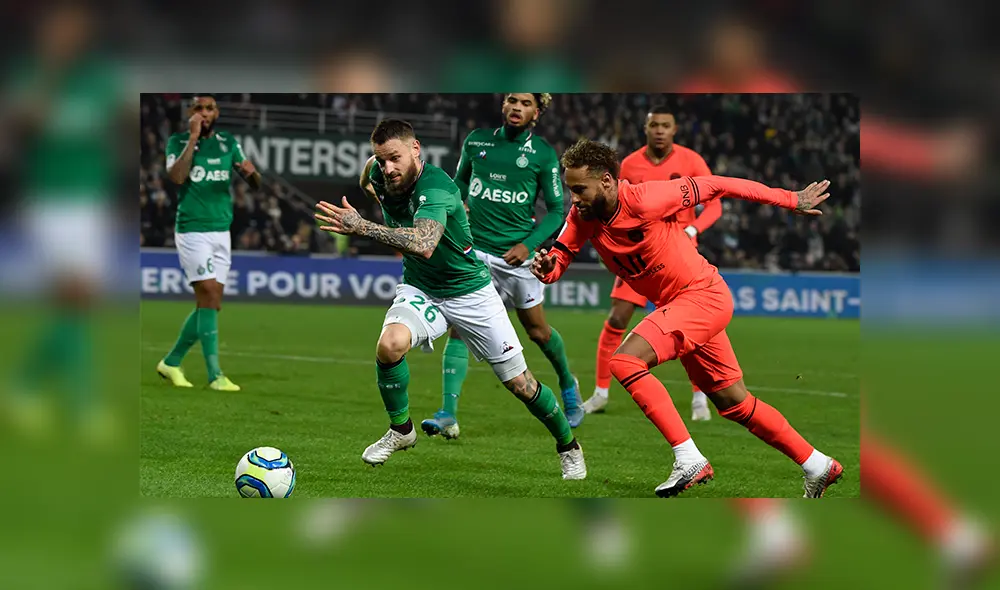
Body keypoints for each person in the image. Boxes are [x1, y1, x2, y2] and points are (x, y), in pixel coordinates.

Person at [531, 139, 842, 497]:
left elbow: (717, 185)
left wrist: (789, 199)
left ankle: (688, 458)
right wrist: (548, 268)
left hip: (700, 296)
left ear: (606, 181)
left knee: (626, 361)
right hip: (681, 305)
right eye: (571, 189)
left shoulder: (646, 199)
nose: (574, 198)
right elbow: (561, 255)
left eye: (579, 189)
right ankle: (818, 465)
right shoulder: (583, 216)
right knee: (734, 403)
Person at [315, 118, 585, 480]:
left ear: (416, 149)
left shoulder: (437, 187)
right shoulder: (379, 173)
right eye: (381, 160)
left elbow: (425, 245)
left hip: (469, 291)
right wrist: (371, 186)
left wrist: (360, 225)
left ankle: (568, 446)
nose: (387, 167)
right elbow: (368, 180)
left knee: (521, 384)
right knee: (389, 345)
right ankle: (401, 430)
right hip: (422, 287)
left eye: (394, 158)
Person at [422, 92, 583, 440]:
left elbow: (557, 209)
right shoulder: (477, 141)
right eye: (512, 100)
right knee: (460, 328)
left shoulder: (542, 154)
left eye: (525, 103)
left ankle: (568, 384)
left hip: (518, 259)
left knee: (537, 332)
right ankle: (448, 413)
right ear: (503, 104)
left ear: (537, 112)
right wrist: (452, 205)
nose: (516, 108)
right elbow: (459, 184)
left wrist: (529, 245)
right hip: (474, 252)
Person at [584, 105, 721, 421]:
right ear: (646, 129)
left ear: (674, 130)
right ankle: (601, 393)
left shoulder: (691, 161)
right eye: (654, 125)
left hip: (678, 258)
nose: (659, 130)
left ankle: (699, 398)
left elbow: (715, 205)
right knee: (618, 317)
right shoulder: (629, 164)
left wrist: (693, 228)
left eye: (665, 125)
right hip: (637, 256)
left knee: (689, 329)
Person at [157, 94, 261, 392]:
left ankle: (171, 362)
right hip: (193, 230)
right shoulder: (177, 142)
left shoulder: (228, 141)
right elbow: (177, 177)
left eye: (210, 108)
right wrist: (192, 138)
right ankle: (215, 375)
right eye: (198, 108)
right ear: (188, 113)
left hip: (221, 230)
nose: (204, 113)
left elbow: (254, 180)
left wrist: (252, 174)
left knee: (210, 302)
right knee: (210, 295)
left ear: (217, 113)